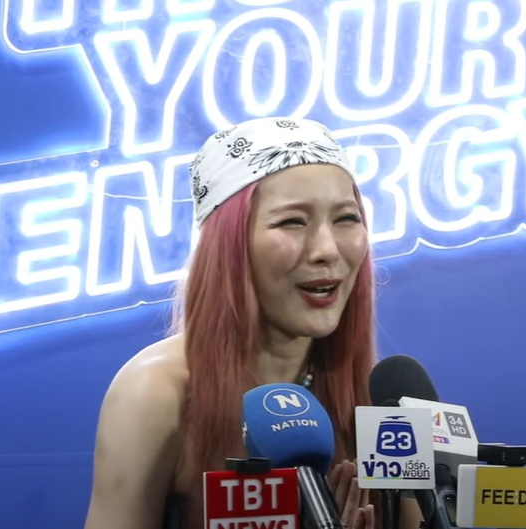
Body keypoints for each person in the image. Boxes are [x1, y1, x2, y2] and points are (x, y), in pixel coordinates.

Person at [83, 117, 422, 529]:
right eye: (292, 221)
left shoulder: (380, 398)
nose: (327, 250)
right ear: (229, 245)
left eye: (347, 218)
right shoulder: (154, 393)